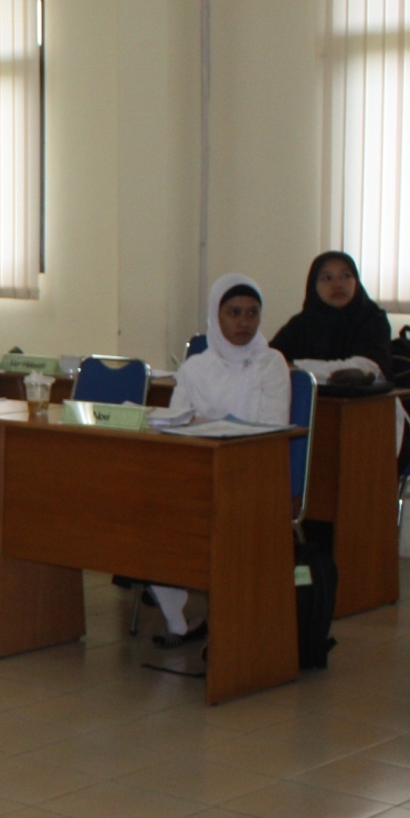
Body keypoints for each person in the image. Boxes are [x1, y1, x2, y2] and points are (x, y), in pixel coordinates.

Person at [146, 274, 294, 646]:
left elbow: (271, 428)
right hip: (200, 470)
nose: (244, 322)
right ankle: (177, 618)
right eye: (234, 312)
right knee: (151, 509)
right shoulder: (195, 368)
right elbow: (177, 421)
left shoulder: (271, 363)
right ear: (216, 315)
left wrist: (208, 424)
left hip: (254, 473)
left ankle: (233, 621)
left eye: (252, 313)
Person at [269, 251, 394, 377]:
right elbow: (269, 361)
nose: (337, 284)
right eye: (327, 278)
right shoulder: (300, 324)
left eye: (345, 276)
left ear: (356, 281)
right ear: (314, 285)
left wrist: (297, 367)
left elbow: (365, 368)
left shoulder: (373, 319)